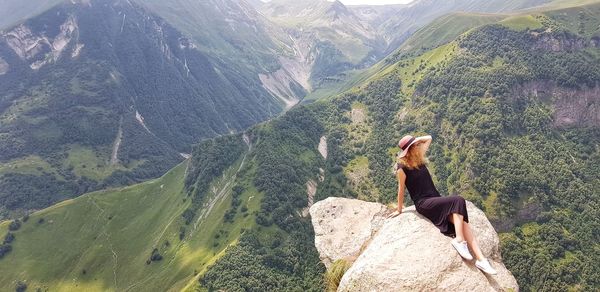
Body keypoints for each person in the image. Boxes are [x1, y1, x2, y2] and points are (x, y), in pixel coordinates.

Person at [388, 134, 497, 275]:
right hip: (424, 204)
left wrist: (415, 140)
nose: (418, 146)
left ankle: (481, 260)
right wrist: (399, 209)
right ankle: (459, 241)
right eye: (414, 145)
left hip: (435, 200)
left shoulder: (418, 157)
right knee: (458, 200)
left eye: (416, 144)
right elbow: (401, 188)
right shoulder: (401, 167)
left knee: (462, 221)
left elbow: (429, 138)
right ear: (409, 150)